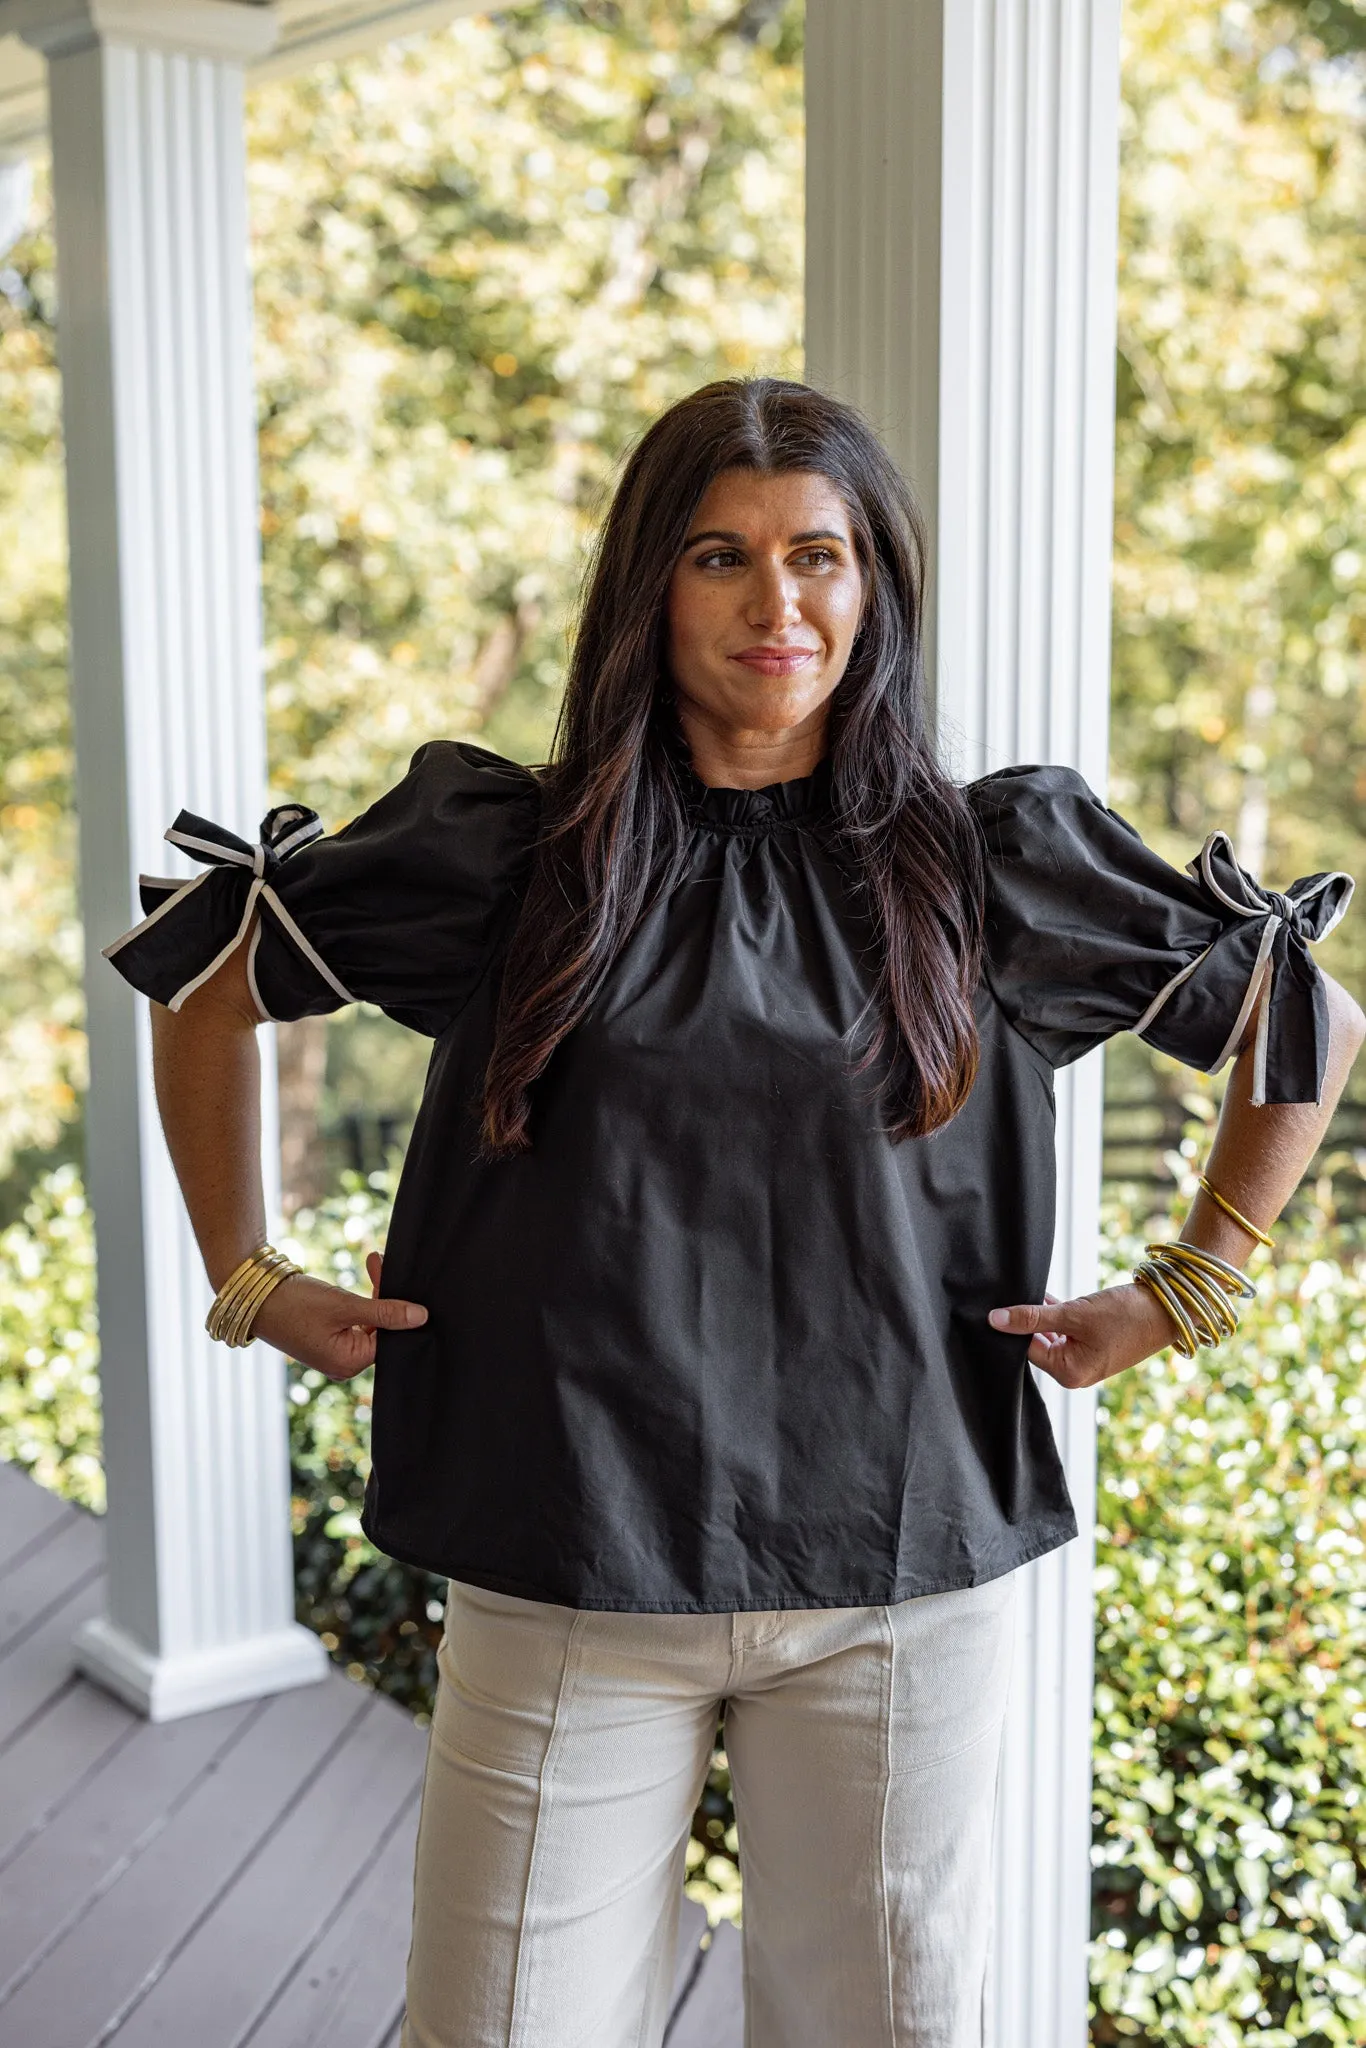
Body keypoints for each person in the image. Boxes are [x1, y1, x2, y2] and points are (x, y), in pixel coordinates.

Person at [104, 379, 1362, 2048]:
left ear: (875, 584)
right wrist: (245, 1272)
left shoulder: (992, 865)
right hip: (567, 1563)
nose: (780, 603)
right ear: (650, 585)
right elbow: (207, 975)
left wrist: (1190, 1285)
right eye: (721, 557)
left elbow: (1306, 1016)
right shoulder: (510, 854)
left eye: (820, 556)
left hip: (896, 1583)